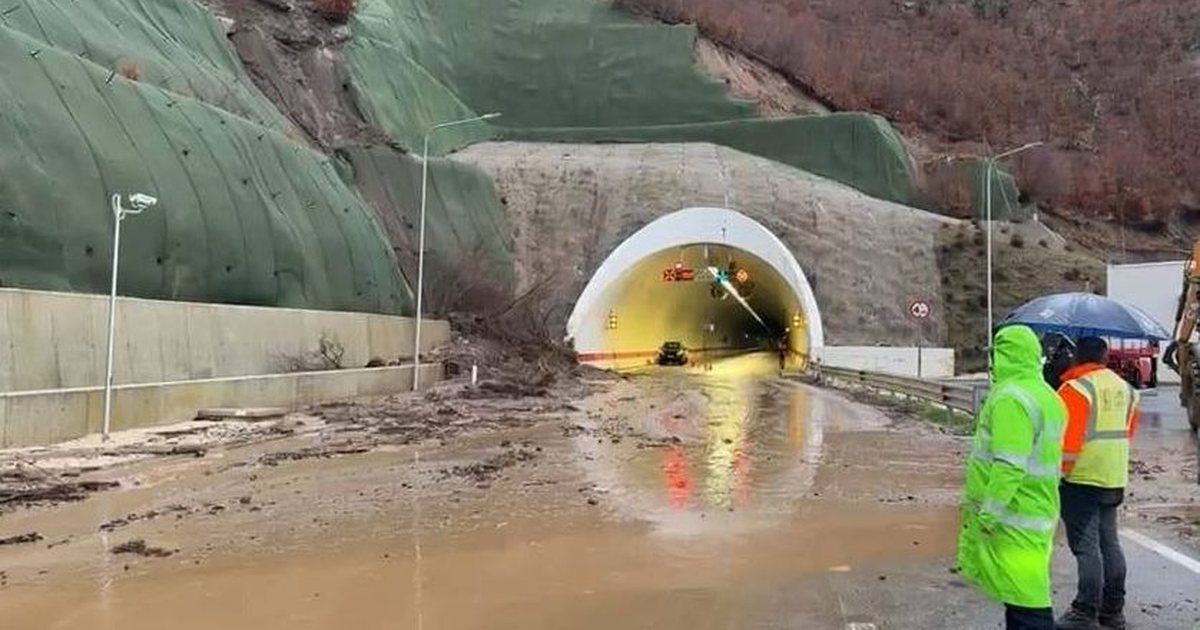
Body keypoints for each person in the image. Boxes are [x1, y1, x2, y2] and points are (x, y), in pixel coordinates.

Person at [958, 325, 1067, 630]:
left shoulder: (1011, 399)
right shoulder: (1047, 394)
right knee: (1021, 595)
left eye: (997, 355)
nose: (992, 364)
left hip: (1012, 515)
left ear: (1008, 356)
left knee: (1028, 602)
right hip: (1038, 509)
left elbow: (1009, 465)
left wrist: (988, 515)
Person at [1054, 337, 1140, 630]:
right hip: (1114, 476)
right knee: (1109, 543)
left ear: (1077, 357)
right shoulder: (1126, 389)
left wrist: (1059, 475)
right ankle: (1113, 610)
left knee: (1087, 547)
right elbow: (1128, 432)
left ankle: (1085, 610)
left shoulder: (1075, 389)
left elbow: (1068, 441)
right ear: (1104, 357)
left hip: (1082, 477)